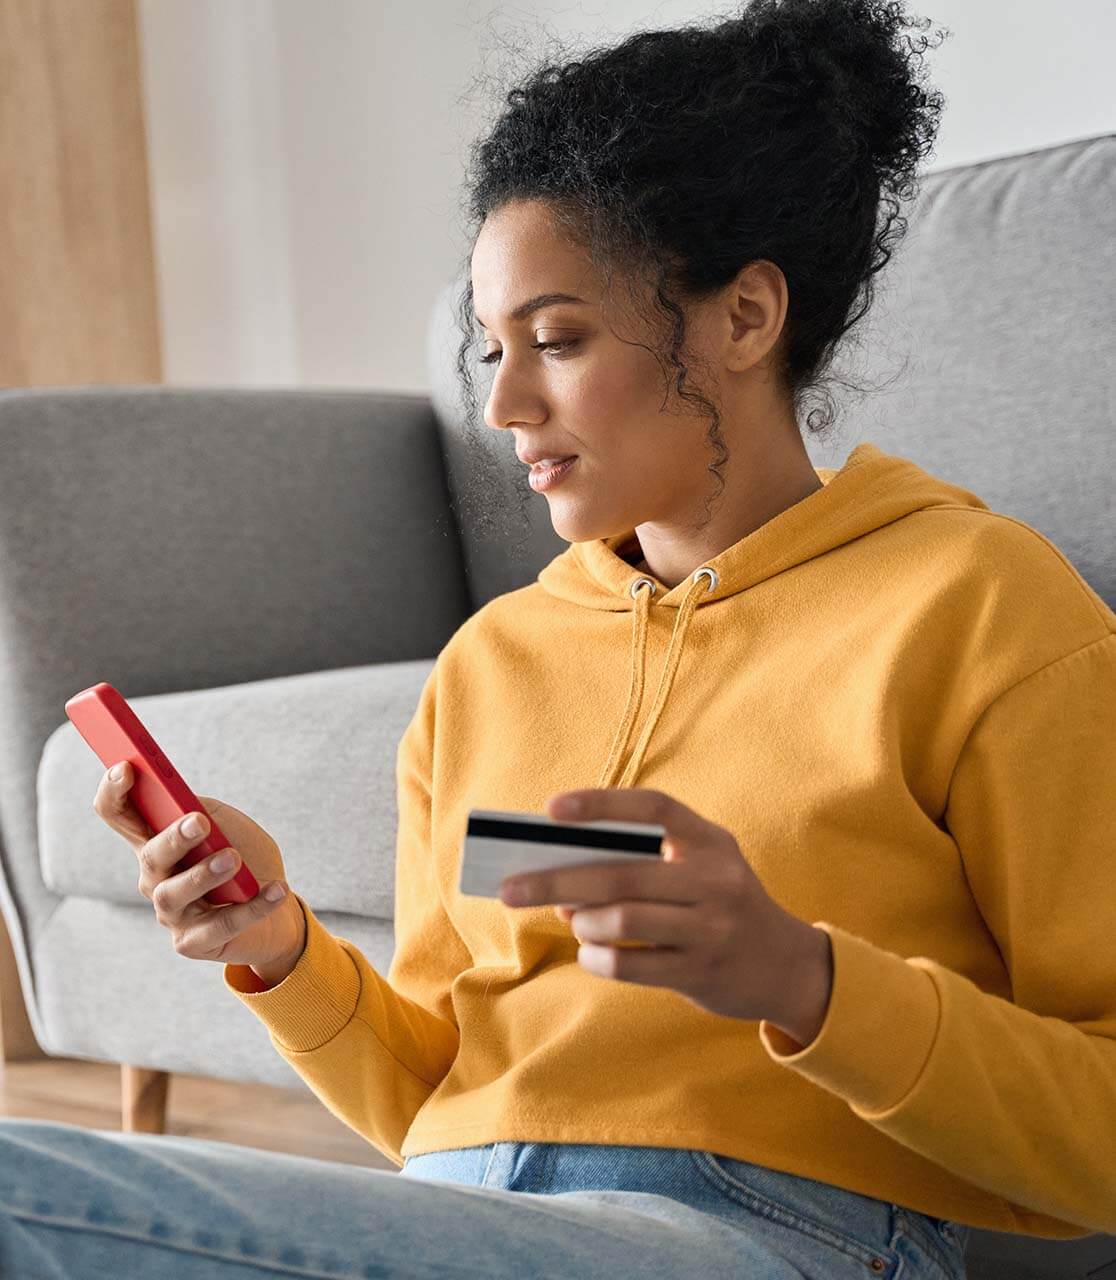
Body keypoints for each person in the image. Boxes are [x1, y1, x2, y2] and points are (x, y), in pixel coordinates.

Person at [5, 0, 1115, 1275]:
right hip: (470, 1209)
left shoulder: (982, 607)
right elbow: (433, 1097)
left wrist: (807, 981)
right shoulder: (492, 665)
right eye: (491, 349)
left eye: (558, 338)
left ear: (747, 317)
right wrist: (281, 951)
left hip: (777, 1229)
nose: (500, 403)